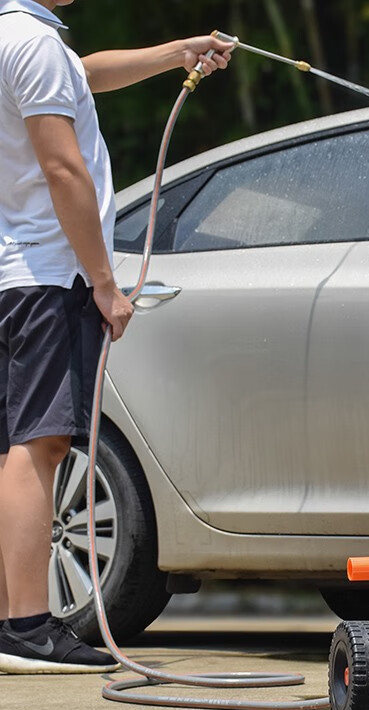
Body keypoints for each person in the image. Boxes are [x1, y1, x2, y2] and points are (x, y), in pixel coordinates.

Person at [0, 0, 232, 673]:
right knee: (37, 447)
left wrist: (173, 54)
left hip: (19, 273)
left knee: (19, 447)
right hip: (48, 274)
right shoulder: (32, 44)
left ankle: (16, 621)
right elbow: (64, 168)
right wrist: (103, 282)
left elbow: (83, 73)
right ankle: (26, 627)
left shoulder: (29, 41)